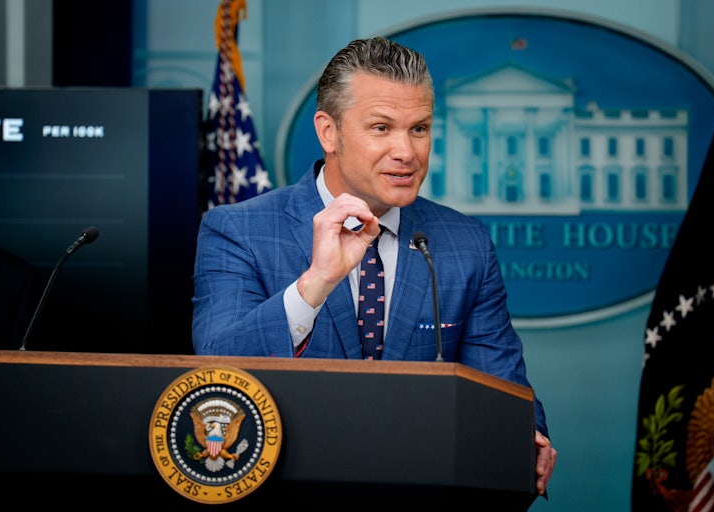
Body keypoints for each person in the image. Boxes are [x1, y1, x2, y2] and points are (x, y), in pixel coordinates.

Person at [192, 36, 556, 497]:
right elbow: (215, 369)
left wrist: (526, 434)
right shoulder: (237, 230)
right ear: (329, 132)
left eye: (419, 129)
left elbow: (503, 387)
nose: (407, 152)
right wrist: (315, 284)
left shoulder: (465, 243)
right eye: (382, 128)